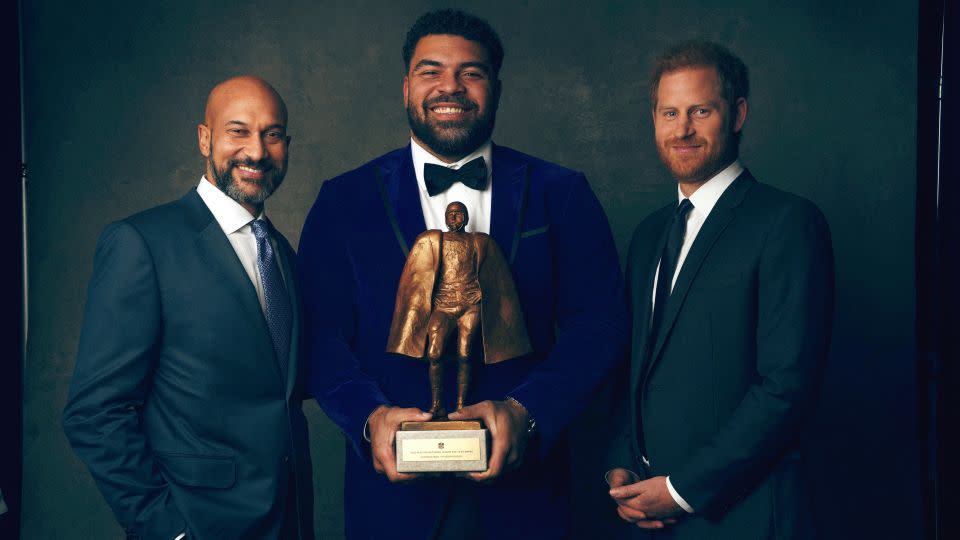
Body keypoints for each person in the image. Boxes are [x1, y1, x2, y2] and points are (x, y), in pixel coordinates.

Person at [298, 9, 628, 539]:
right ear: (406, 85)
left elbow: (601, 326)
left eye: (470, 72)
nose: (449, 86)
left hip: (526, 498)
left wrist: (529, 411)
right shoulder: (343, 199)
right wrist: (369, 418)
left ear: (495, 87)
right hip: (391, 504)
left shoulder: (561, 192)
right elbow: (317, 333)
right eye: (431, 71)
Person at [63, 76, 313, 540]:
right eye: (238, 131)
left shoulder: (281, 253)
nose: (256, 151)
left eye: (272, 134)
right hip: (197, 525)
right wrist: (166, 530)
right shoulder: (142, 244)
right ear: (205, 138)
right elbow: (95, 412)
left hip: (289, 522)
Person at [605, 41, 834, 539]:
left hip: (743, 515)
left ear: (738, 114)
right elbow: (636, 367)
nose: (682, 128)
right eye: (670, 112)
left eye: (700, 111)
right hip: (648, 514)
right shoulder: (648, 236)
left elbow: (785, 390)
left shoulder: (788, 223)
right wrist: (621, 463)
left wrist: (683, 490)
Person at [386, 201, 531, 417]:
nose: (454, 217)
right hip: (443, 306)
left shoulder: (479, 241)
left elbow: (498, 279)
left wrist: (482, 296)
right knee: (434, 352)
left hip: (470, 305)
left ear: (466, 217)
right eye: (451, 214)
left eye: (459, 213)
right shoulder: (435, 240)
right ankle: (437, 404)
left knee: (465, 353)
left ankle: (461, 406)